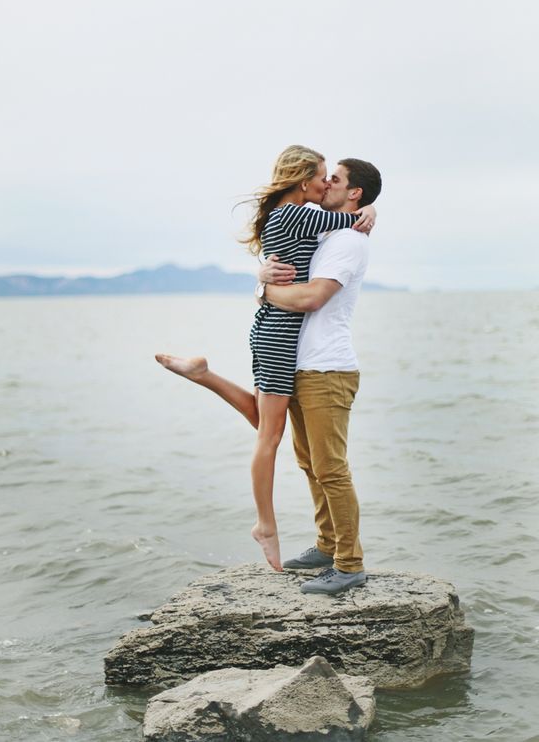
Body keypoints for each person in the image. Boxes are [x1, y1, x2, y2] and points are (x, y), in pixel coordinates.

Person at [155, 153, 381, 594]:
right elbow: (286, 257)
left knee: (329, 467)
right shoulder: (323, 226)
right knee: (306, 460)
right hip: (300, 359)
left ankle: (349, 564)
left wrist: (265, 286)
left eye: (334, 179)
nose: (327, 184)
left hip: (327, 366)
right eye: (322, 177)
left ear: (352, 192)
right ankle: (327, 544)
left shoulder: (349, 239)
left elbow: (312, 298)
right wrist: (262, 282)